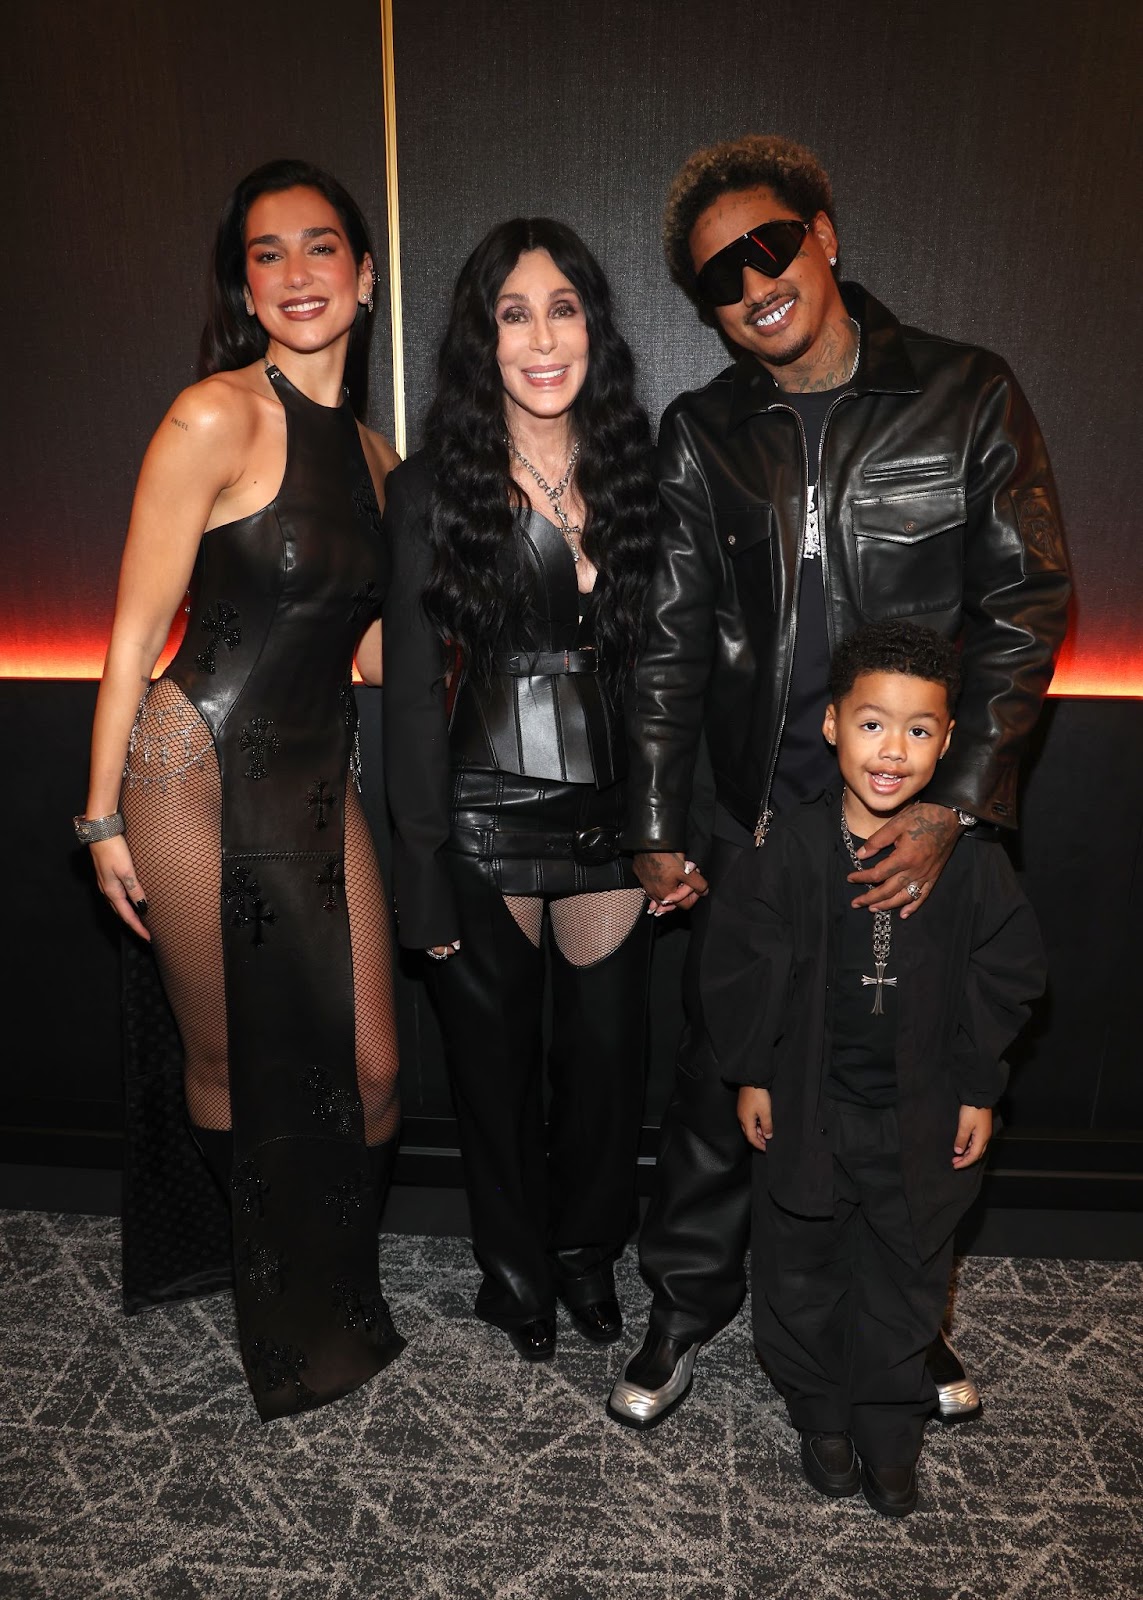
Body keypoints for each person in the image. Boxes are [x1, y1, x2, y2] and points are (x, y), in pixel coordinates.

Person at [607, 134, 1070, 1428]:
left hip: (911, 811)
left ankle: (902, 1321)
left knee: (904, 1085)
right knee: (719, 1076)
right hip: (756, 810)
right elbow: (665, 637)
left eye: (766, 245)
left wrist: (951, 805)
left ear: (822, 236)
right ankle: (682, 1308)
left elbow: (1024, 604)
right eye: (715, 276)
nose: (749, 281)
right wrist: (656, 820)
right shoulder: (703, 431)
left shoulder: (964, 392)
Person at [78, 159, 404, 1421]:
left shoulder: (380, 457)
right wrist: (100, 808)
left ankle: (338, 1270)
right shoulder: (212, 414)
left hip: (322, 781)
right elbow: (133, 626)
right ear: (246, 285)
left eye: (321, 247)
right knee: (226, 1059)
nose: (296, 273)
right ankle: (265, 1279)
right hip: (189, 770)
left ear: (364, 275)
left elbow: (368, 649)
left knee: (373, 1068)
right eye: (267, 254)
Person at [382, 218, 656, 1362]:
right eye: (513, 314)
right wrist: (421, 879)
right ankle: (513, 1273)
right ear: (479, 339)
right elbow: (406, 697)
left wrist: (666, 827)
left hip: (607, 818)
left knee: (602, 1067)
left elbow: (663, 674)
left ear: (593, 325)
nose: (542, 339)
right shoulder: (429, 487)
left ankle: (588, 1256)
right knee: (491, 1075)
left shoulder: (641, 465)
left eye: (563, 309)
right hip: (483, 816)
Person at [703, 621, 1046, 1515]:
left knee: (907, 1269)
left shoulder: (970, 861)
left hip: (921, 1112)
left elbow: (1006, 974)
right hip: (810, 1105)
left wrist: (978, 1087)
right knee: (800, 1265)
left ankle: (891, 1420)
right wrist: (751, 1071)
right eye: (870, 724)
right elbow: (741, 967)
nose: (891, 750)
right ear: (829, 726)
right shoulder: (784, 849)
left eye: (919, 730)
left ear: (947, 739)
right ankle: (819, 1409)